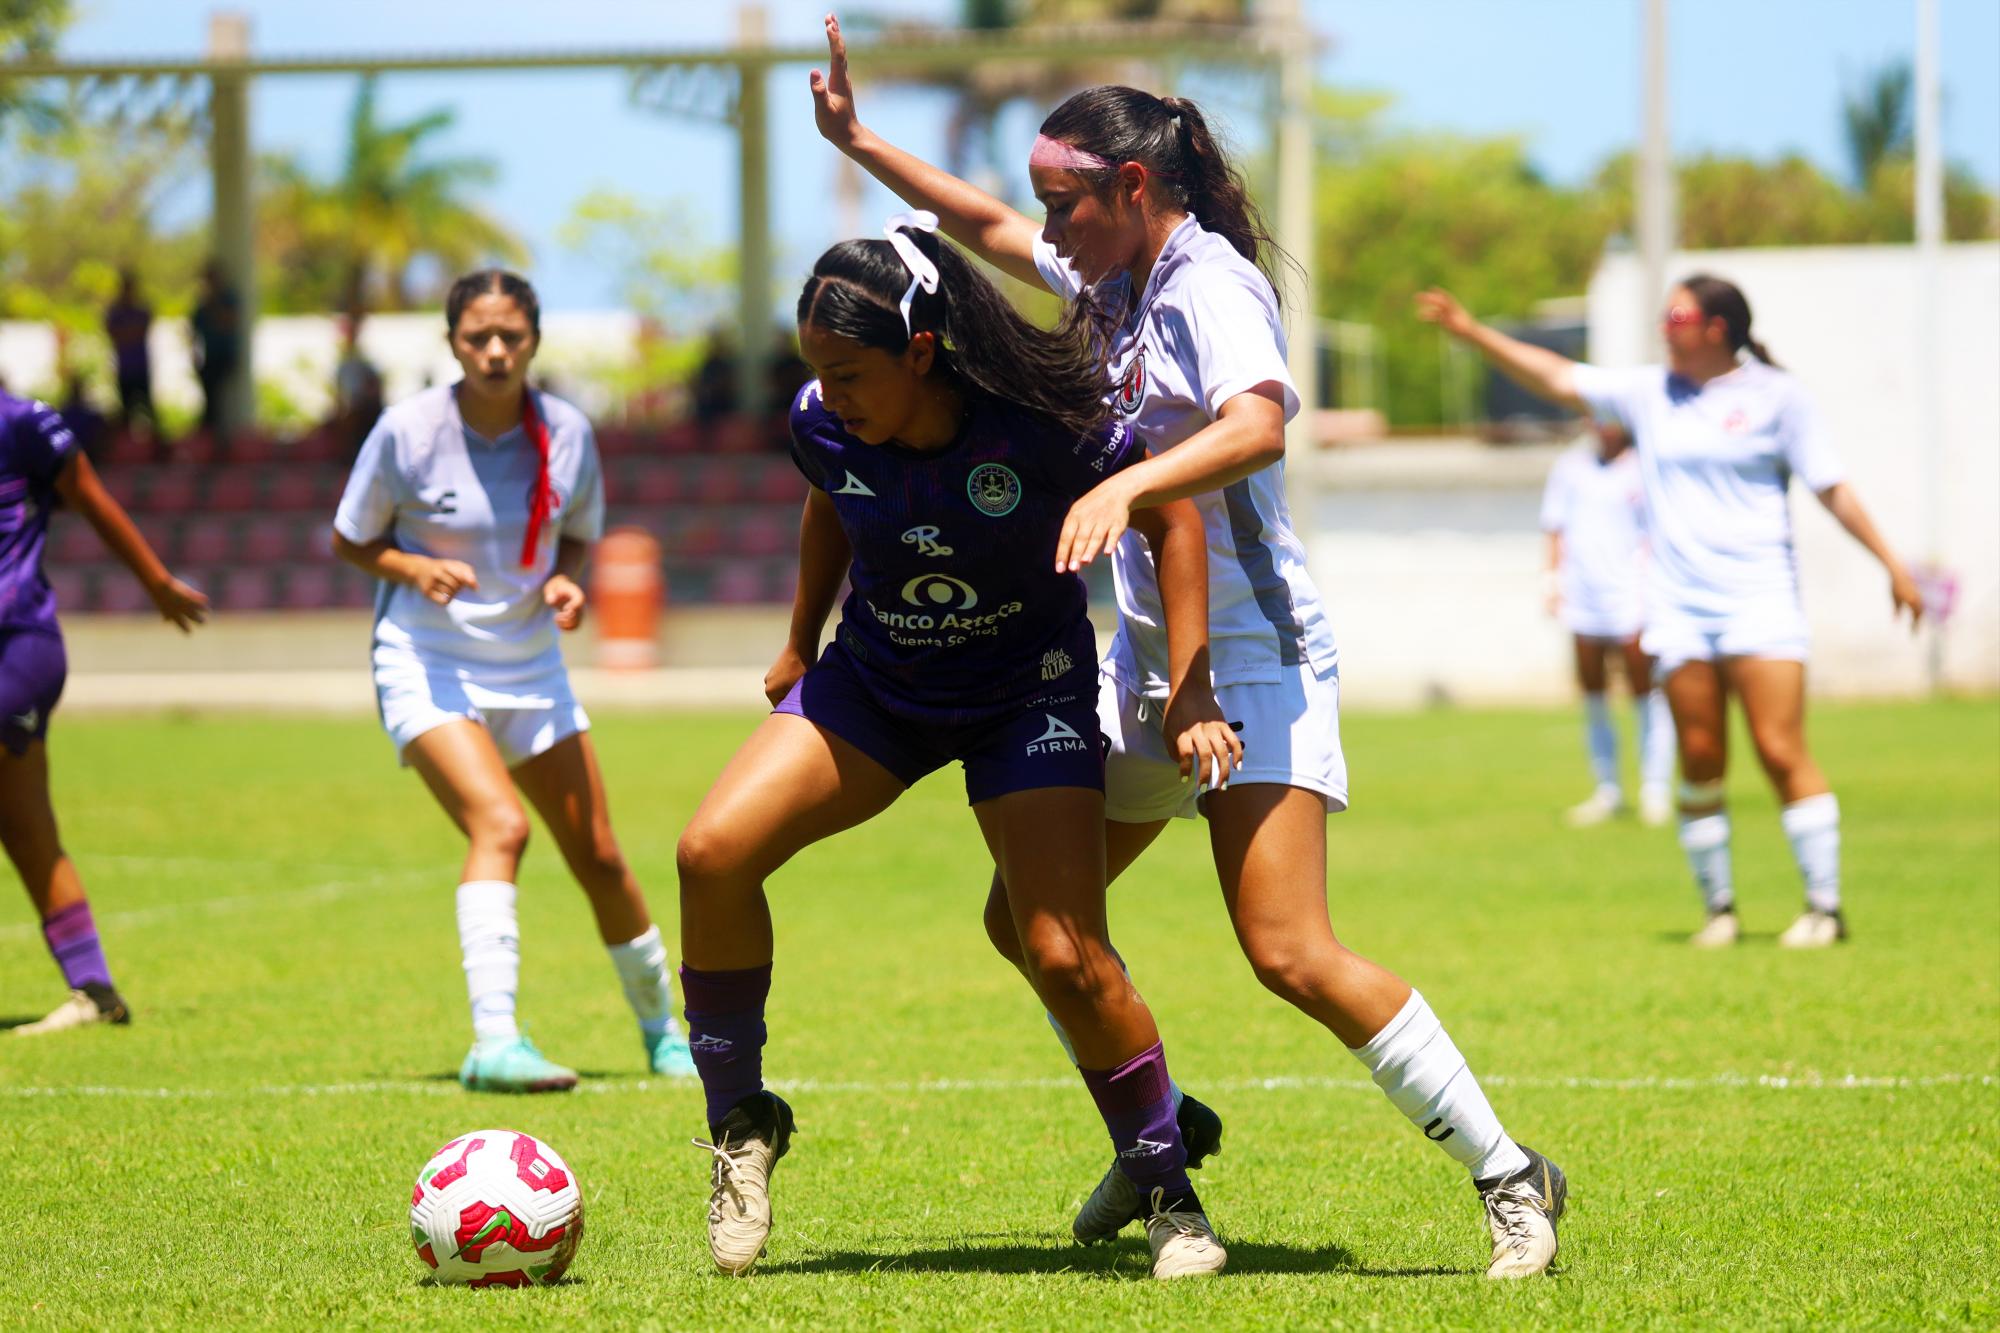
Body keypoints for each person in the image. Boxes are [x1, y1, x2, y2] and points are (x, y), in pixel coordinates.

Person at [811, 14, 1567, 1280]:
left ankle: (1509, 1176)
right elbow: (986, 233)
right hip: (1149, 673)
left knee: (1287, 952)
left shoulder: (1210, 282)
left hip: (1249, 667)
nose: (1043, 226)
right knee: (1031, 922)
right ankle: (1158, 1127)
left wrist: (1126, 489)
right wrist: (861, 141)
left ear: (1132, 188)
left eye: (1064, 202)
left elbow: (1261, 425)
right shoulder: (1109, 277)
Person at [673, 216, 1241, 1279]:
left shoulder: (1043, 425)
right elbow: (830, 502)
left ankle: (1169, 1193)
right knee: (711, 852)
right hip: (879, 686)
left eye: (849, 373)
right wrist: (799, 640)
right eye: (816, 373)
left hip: (1025, 694)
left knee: (1062, 952)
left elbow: (1171, 518)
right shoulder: (822, 421)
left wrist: (1190, 683)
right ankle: (741, 1125)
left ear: (921, 351)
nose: (827, 395)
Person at [1419, 276, 1923, 948]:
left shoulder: (1778, 397)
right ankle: (1720, 909)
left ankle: (1825, 908)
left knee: (1779, 749)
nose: (1665, 325)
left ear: (1716, 327)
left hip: (1760, 598)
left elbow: (1832, 487)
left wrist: (1891, 563)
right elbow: (1561, 378)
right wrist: (1472, 331)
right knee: (1700, 756)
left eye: (1677, 314)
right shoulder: (1650, 394)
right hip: (1679, 607)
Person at [331, 269, 696, 1092]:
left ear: (533, 339)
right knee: (500, 823)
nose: (495, 352)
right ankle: (493, 1042)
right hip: (426, 660)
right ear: (452, 341)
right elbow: (352, 538)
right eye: (477, 338)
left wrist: (568, 581)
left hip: (531, 661)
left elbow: (576, 538)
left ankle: (666, 1034)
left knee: (600, 854)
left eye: (511, 337)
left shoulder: (566, 429)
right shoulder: (407, 429)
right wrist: (412, 566)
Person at [1, 388, 208, 1034]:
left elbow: (92, 497)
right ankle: (94, 988)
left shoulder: (22, 422)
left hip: (17, 646)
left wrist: (156, 583)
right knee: (26, 825)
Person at [1539, 418, 1675, 827]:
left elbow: (1658, 532)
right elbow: (1555, 527)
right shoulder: (1571, 467)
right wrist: (1552, 580)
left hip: (1631, 595)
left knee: (1644, 689)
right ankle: (1608, 788)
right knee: (1593, 692)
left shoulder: (1644, 467)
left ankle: (1655, 787)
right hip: (1584, 595)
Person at [190, 261, 243, 445]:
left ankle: (216, 439)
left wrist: (213, 302)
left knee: (214, 399)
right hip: (208, 358)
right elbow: (193, 334)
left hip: (224, 356)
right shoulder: (201, 305)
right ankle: (210, 438)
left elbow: (227, 322)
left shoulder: (226, 299)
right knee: (209, 398)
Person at [103, 269, 155, 442]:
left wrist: (127, 332)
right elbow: (114, 333)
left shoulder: (142, 310)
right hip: (125, 370)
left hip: (141, 368)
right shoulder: (115, 311)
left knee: (149, 411)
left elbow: (140, 331)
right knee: (125, 414)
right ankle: (125, 449)